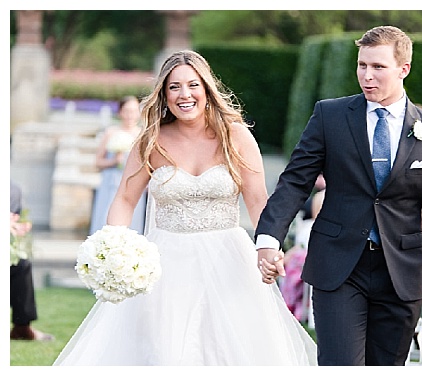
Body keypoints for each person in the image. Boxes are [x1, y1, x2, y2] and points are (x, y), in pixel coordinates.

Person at [53, 50, 317, 366]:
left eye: (193, 85)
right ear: (164, 95)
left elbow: (259, 200)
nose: (184, 94)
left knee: (231, 348)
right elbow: (124, 199)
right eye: (174, 87)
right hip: (167, 261)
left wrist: (269, 247)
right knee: (165, 347)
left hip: (229, 257)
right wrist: (113, 248)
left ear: (207, 88)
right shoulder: (150, 140)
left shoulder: (236, 136)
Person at [253, 26, 422, 366]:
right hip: (338, 267)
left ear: (403, 69)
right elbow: (295, 181)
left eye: (378, 67)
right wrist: (268, 238)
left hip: (401, 274)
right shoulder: (330, 116)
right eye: (362, 65)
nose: (367, 76)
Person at [89, 95, 147, 235]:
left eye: (133, 111)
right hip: (111, 183)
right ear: (120, 112)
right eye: (126, 111)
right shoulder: (111, 133)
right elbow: (98, 162)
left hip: (133, 184)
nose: (130, 115)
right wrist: (114, 161)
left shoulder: (143, 134)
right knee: (106, 218)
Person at [10, 181, 54, 342]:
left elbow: (17, 219)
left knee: (21, 264)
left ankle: (22, 327)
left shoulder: (13, 190)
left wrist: (19, 227)